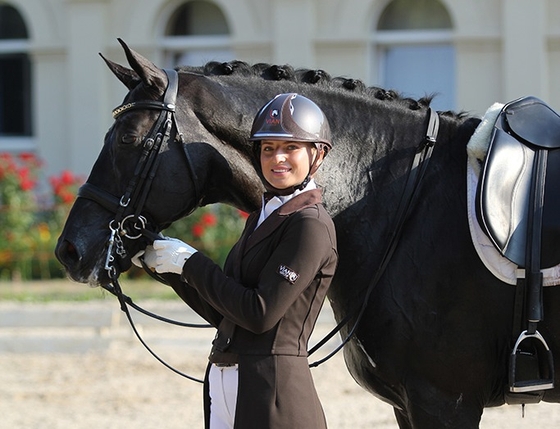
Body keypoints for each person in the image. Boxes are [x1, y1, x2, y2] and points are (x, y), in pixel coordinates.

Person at [134, 93, 338, 429]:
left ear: (317, 154)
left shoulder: (310, 225)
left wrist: (192, 264)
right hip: (226, 383)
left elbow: (259, 314)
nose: (277, 158)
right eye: (268, 148)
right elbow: (224, 312)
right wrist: (168, 268)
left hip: (272, 392)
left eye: (290, 148)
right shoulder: (262, 215)